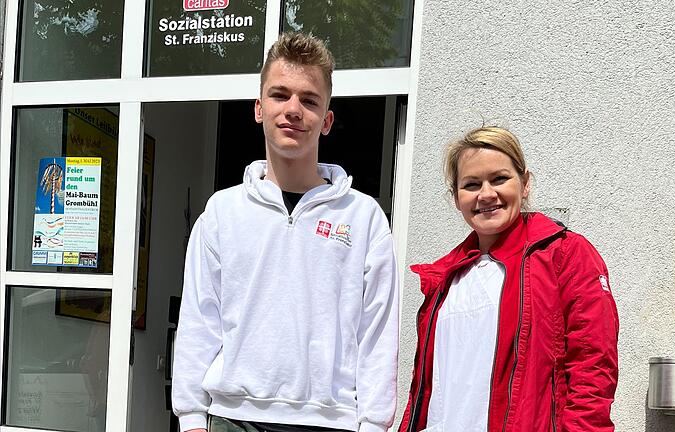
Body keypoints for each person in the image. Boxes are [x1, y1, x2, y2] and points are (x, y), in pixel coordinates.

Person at [172, 32, 399, 432]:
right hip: (233, 418)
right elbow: (199, 318)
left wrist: (375, 423)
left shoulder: (363, 217)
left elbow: (377, 331)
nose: (293, 109)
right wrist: (191, 417)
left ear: (326, 120)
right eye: (279, 95)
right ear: (259, 109)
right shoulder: (223, 212)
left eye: (309, 100)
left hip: (332, 422)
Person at [398, 127, 619, 432]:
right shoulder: (445, 277)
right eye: (471, 184)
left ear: (524, 183)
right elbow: (427, 387)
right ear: (456, 197)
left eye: (499, 179)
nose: (486, 194)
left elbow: (593, 367)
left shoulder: (565, 254)